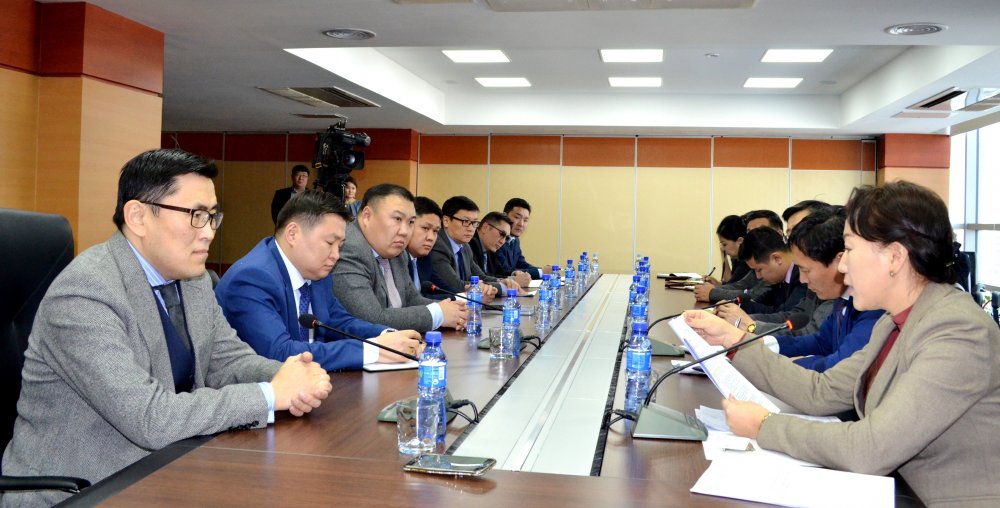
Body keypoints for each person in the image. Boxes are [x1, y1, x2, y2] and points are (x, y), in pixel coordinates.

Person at [1, 149, 332, 507]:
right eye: (196, 216)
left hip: (169, 468)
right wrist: (269, 395)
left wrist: (291, 376)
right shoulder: (85, 292)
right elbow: (149, 417)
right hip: (84, 490)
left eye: (213, 216)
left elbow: (227, 360)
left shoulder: (193, 278)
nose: (208, 232)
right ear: (138, 217)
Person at [685, 181, 1000, 506]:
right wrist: (736, 342)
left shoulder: (957, 330)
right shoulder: (893, 321)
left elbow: (870, 448)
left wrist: (765, 426)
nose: (843, 266)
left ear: (894, 256)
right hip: (898, 491)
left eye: (849, 249)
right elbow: (823, 391)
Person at [215, 190, 423, 372]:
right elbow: (280, 353)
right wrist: (375, 350)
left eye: (340, 246)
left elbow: (340, 321)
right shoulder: (251, 279)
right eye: (330, 243)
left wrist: (388, 336)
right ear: (293, 234)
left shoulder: (315, 272)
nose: (336, 255)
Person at [703, 208, 883, 372]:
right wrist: (748, 340)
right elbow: (819, 342)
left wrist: (786, 363)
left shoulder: (871, 307)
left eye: (806, 270)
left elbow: (840, 369)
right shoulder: (844, 300)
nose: (802, 279)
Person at [330, 184, 467, 332]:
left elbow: (411, 299)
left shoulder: (396, 251)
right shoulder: (348, 248)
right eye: (397, 219)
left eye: (411, 222)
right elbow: (370, 318)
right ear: (367, 216)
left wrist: (453, 311)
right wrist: (437, 314)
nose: (405, 231)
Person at [421, 195, 517, 299]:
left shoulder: (465, 246)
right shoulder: (438, 245)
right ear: (446, 221)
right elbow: (455, 285)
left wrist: (502, 282)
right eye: (466, 222)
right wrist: (502, 288)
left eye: (474, 222)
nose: (471, 229)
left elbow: (480, 276)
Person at [695, 209, 783, 303]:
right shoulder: (756, 258)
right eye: (749, 232)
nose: (753, 237)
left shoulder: (776, 260)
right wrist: (712, 290)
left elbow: (754, 296)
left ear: (779, 233)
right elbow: (741, 285)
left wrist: (712, 293)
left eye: (760, 231)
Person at [731, 227, 806, 315]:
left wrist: (741, 310)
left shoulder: (803, 276)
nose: (758, 276)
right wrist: (736, 305)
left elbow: (785, 314)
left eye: (759, 270)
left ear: (777, 258)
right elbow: (761, 301)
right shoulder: (779, 280)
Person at [469, 212, 532, 288]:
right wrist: (513, 281)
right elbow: (479, 278)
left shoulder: (490, 247)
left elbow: (499, 271)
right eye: (502, 234)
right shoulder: (470, 244)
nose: (502, 241)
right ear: (485, 227)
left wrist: (514, 274)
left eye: (506, 238)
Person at [495, 198, 550, 280]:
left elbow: (521, 264)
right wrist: (540, 272)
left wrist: (542, 270)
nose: (521, 224)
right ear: (504, 216)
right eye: (517, 217)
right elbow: (504, 271)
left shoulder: (515, 240)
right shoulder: (496, 238)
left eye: (525, 220)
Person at [702, 214, 750, 286]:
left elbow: (731, 288)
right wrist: (717, 284)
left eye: (724, 244)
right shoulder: (737, 259)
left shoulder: (746, 264)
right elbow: (730, 283)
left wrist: (715, 289)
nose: (722, 248)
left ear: (740, 241)